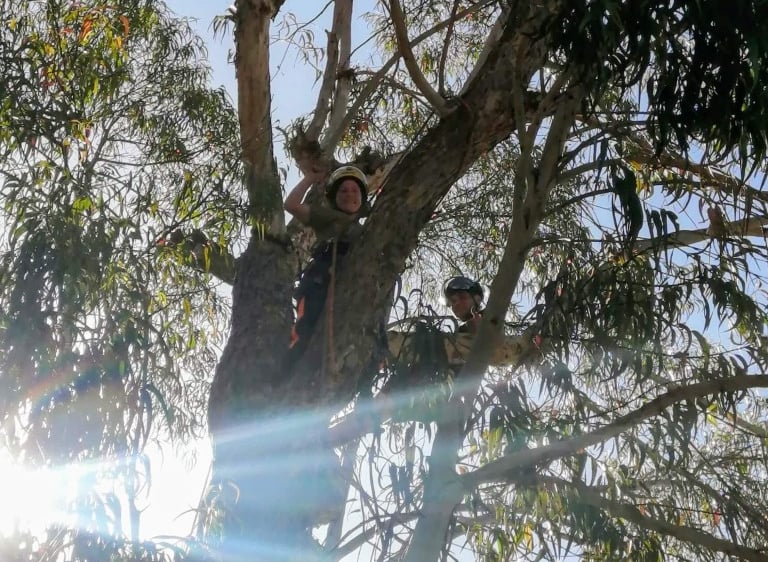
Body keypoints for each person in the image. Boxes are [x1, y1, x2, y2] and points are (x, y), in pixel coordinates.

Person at [284, 165, 369, 356]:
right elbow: (291, 205)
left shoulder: (370, 227)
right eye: (343, 191)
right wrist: (310, 179)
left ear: (363, 198)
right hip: (320, 285)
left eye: (355, 191)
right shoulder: (328, 217)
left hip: (352, 290)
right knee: (303, 338)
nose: (349, 195)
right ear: (334, 197)